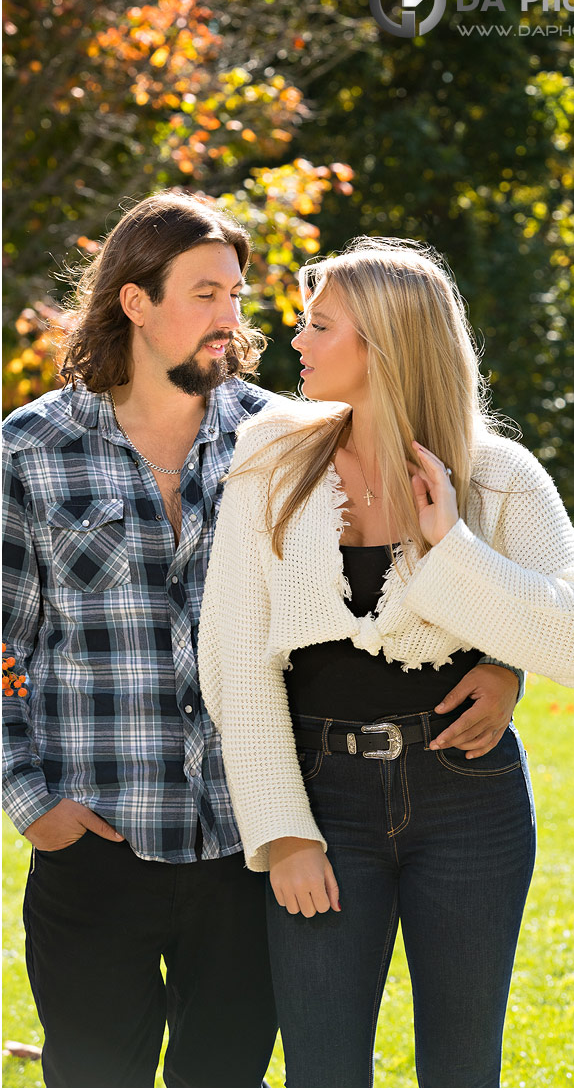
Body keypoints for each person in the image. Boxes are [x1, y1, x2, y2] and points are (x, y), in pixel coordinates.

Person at [198, 237, 574, 1088]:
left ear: (385, 345)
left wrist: (449, 548)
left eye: (319, 326)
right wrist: (284, 834)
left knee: (463, 1072)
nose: (297, 344)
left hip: (470, 801)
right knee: (321, 1071)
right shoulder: (271, 458)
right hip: (324, 799)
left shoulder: (496, 475)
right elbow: (234, 658)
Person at [1, 192, 281, 1088]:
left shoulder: (281, 443)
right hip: (95, 848)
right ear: (134, 301)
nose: (229, 320)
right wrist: (33, 802)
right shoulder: (29, 451)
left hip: (249, 848)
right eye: (205, 294)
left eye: (236, 296)